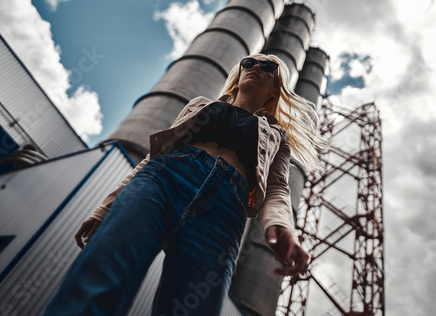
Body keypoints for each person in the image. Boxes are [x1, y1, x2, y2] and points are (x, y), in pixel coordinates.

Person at [43, 54, 328, 316]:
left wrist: (281, 227)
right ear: (239, 73)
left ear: (275, 89)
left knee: (195, 308)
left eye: (268, 67)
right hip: (165, 179)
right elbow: (153, 158)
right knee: (102, 275)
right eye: (249, 62)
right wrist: (104, 209)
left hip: (224, 211)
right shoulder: (201, 105)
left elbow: (278, 189)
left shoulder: (278, 136)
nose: (256, 67)